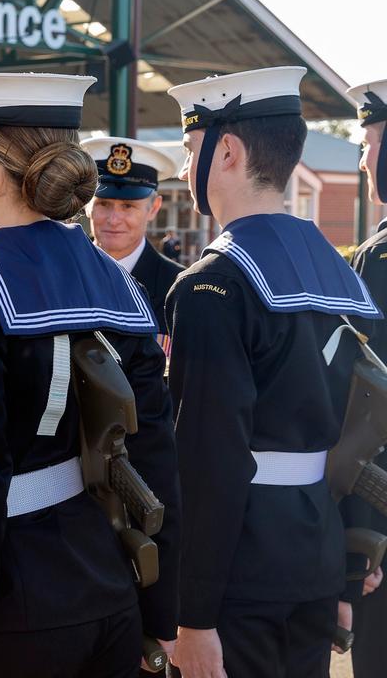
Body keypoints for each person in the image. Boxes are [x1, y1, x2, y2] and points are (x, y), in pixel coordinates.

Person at [0, 72, 180, 678]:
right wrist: (160, 613)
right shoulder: (117, 280)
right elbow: (156, 453)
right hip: (107, 584)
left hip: (18, 604)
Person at [164, 67, 381, 678]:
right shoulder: (339, 272)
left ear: (226, 151)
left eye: (190, 151)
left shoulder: (212, 283)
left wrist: (193, 616)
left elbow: (207, 459)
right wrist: (348, 571)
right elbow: (365, 430)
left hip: (241, 573)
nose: (184, 171)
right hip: (315, 552)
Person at [346, 77, 387, 678]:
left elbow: (369, 408)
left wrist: (365, 540)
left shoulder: (379, 259)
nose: (361, 159)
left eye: (367, 141)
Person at [83, 136, 184, 346]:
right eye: (103, 204)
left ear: (154, 208)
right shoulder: (59, 274)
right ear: (87, 204)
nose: (114, 219)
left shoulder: (179, 288)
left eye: (128, 206)